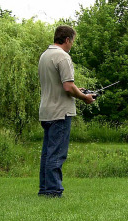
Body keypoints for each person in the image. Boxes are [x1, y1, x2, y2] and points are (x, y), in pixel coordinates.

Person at [38, 25, 95, 198]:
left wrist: (79, 89)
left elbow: (60, 84)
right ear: (68, 39)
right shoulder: (63, 57)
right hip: (60, 112)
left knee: (47, 153)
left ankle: (45, 189)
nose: (72, 45)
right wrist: (84, 97)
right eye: (73, 41)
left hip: (46, 111)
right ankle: (54, 191)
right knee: (56, 154)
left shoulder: (45, 55)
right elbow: (68, 87)